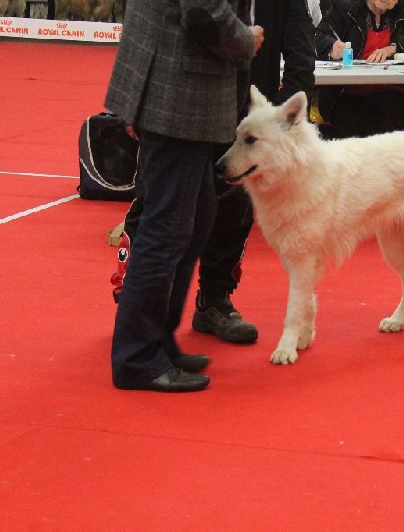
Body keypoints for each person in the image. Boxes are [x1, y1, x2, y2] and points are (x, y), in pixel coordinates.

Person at [113, 0, 315, 346]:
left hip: (249, 110)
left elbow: (300, 53)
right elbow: (195, 16)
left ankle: (213, 300)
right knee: (162, 211)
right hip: (182, 99)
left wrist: (277, 118)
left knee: (226, 210)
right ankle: (139, 315)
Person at [106, 0, 263, 392]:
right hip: (176, 94)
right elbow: (203, 12)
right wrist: (246, 40)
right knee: (168, 229)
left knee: (191, 222)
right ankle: (138, 358)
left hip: (182, 91)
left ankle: (156, 343)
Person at [314, 0, 404, 139]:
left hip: (392, 93)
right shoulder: (345, 7)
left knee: (384, 107)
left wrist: (394, 48)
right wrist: (331, 47)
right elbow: (318, 37)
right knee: (356, 118)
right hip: (343, 94)